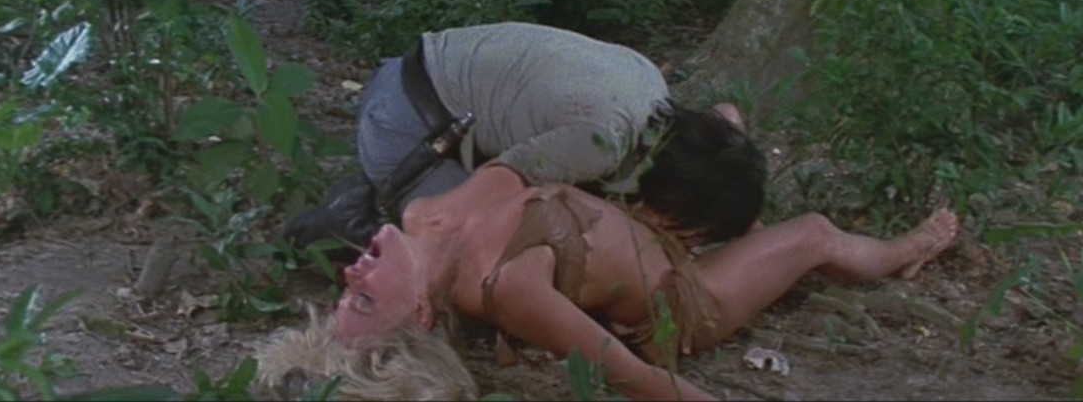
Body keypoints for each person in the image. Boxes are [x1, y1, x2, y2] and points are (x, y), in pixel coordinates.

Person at [257, 119, 961, 400]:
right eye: (364, 296)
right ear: (420, 311)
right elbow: (636, 376)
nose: (350, 270)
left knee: (722, 121)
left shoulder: (425, 214)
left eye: (348, 287)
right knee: (812, 233)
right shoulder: (507, 289)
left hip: (648, 227)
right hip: (682, 297)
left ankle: (730, 224)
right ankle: (906, 251)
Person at [281, 22, 766, 261]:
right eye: (683, 231)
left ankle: (393, 191)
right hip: (404, 118)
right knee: (490, 253)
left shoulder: (651, 92)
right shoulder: (598, 141)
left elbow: (727, 115)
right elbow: (494, 187)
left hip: (429, 81)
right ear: (677, 199)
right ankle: (352, 221)